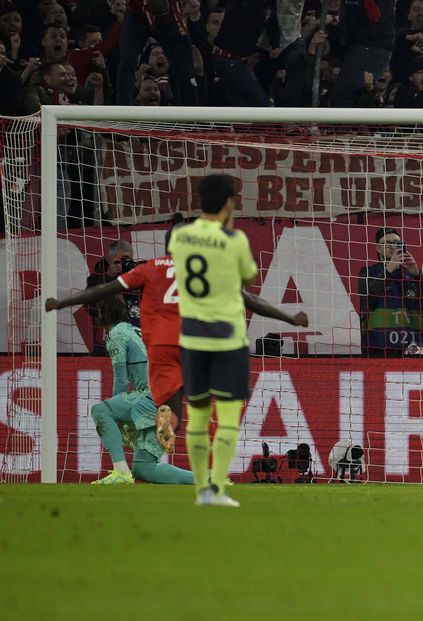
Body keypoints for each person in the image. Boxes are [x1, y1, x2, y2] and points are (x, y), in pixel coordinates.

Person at [46, 226, 308, 438]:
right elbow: (249, 299)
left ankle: (158, 422)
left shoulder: (149, 268)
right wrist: (290, 317)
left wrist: (62, 303)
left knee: (171, 411)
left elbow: (104, 290)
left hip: (158, 349)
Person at [168, 174, 259, 508]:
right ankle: (218, 489)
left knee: (198, 417)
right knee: (229, 418)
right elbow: (248, 274)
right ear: (228, 203)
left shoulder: (180, 236)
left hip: (192, 337)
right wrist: (228, 224)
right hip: (227, 339)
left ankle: (200, 490)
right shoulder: (234, 240)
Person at [86, 296, 194, 485]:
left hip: (151, 397)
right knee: (144, 469)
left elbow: (120, 380)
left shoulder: (116, 334)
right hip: (168, 402)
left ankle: (120, 472)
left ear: (103, 313)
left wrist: (116, 418)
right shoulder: (134, 330)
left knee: (100, 410)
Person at [358, 226, 423, 356]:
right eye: (387, 243)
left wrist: (417, 275)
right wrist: (389, 270)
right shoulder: (368, 272)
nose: (392, 247)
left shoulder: (411, 271)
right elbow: (367, 299)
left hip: (416, 346)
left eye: (396, 243)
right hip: (380, 346)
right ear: (378, 248)